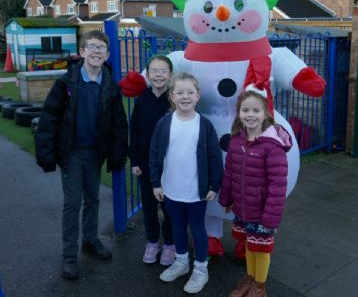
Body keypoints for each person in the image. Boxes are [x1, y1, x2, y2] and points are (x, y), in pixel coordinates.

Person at [35, 30, 128, 280]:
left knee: (93, 199)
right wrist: (45, 153)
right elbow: (49, 118)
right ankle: (69, 255)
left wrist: (118, 153)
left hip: (95, 154)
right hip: (71, 153)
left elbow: (119, 124)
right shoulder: (65, 84)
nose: (96, 52)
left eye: (101, 48)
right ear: (82, 51)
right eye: (92, 47)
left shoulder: (110, 86)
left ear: (107, 55)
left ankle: (90, 239)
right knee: (72, 202)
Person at [149, 73, 223, 294]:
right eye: (179, 92)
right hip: (171, 189)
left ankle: (201, 269)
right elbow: (154, 154)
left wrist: (213, 186)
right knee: (177, 227)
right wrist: (156, 183)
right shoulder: (164, 123)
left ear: (198, 95)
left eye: (190, 92)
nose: (185, 96)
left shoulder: (205, 125)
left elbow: (214, 157)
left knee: (198, 229)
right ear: (172, 96)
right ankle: (181, 263)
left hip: (196, 191)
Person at [219, 90, 291, 297]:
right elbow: (230, 172)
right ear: (239, 113)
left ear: (266, 113)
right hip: (242, 207)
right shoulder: (236, 142)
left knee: (261, 249)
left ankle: (259, 287)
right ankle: (250, 279)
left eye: (256, 110)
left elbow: (278, 186)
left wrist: (271, 216)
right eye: (245, 110)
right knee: (250, 245)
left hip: (262, 211)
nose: (250, 114)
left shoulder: (272, 146)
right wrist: (226, 198)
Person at [129, 55, 175, 265]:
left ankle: (169, 245)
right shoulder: (141, 100)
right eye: (154, 71)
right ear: (147, 75)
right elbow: (135, 131)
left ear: (170, 75)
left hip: (171, 165)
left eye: (163, 71)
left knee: (169, 208)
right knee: (149, 206)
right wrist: (135, 161)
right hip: (146, 164)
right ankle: (152, 242)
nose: (158, 75)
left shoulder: (175, 100)